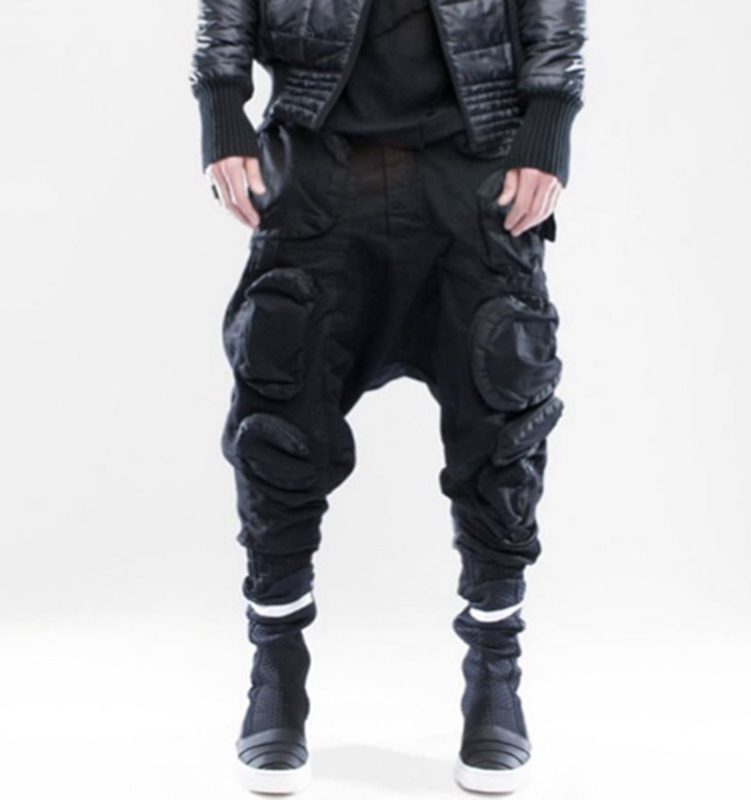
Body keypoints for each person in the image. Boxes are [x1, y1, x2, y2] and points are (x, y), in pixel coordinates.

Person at [189, 0, 586, 793]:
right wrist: (222, 105)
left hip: (475, 164)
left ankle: (495, 678)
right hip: (317, 161)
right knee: (279, 426)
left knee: (502, 427)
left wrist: (549, 119)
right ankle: (276, 677)